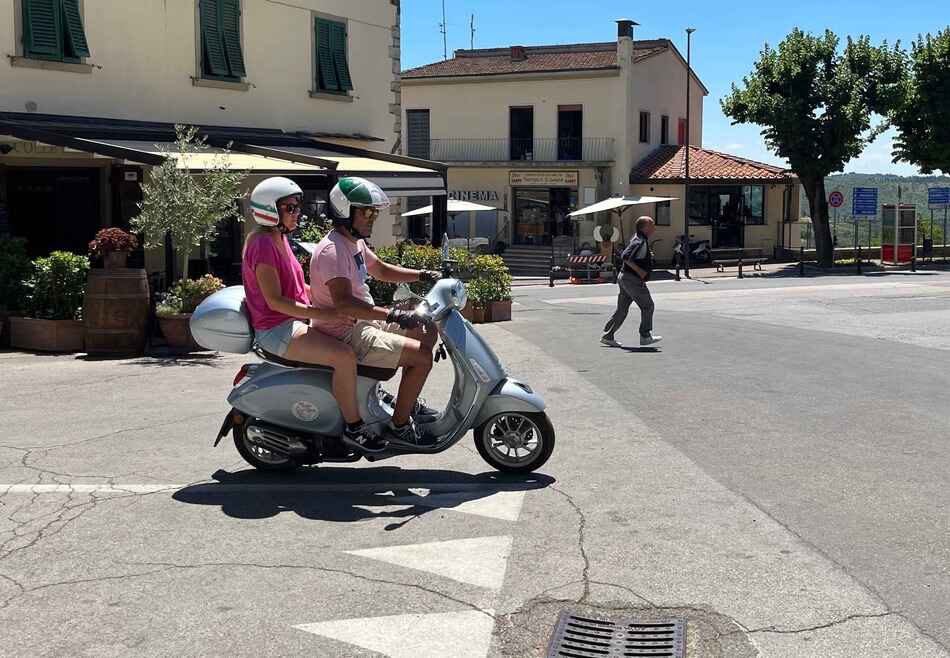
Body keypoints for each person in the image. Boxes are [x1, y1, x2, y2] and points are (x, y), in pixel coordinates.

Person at [242, 177, 373, 453]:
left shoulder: (279, 238)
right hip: (277, 329)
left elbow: (298, 286)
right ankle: (354, 428)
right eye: (290, 207)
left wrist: (334, 303)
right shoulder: (262, 244)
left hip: (291, 323)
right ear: (270, 210)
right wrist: (326, 312)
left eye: (297, 207)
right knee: (344, 356)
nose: (297, 213)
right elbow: (276, 301)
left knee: (351, 343)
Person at [309, 177, 442, 448]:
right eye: (366, 212)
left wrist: (424, 274)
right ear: (345, 210)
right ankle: (400, 426)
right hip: (345, 332)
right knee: (422, 358)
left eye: (375, 213)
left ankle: (406, 404)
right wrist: (392, 315)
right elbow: (344, 304)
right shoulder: (332, 251)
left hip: (363, 324)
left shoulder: (352, 242)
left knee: (426, 329)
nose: (372, 218)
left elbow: (380, 269)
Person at [601, 216, 662, 348]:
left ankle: (608, 335)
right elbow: (625, 256)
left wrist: (647, 256)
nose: (654, 228)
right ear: (645, 227)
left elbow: (633, 255)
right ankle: (645, 336)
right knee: (648, 306)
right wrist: (640, 271)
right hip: (632, 279)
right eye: (652, 225)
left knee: (622, 309)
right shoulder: (639, 240)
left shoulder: (639, 239)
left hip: (625, 277)